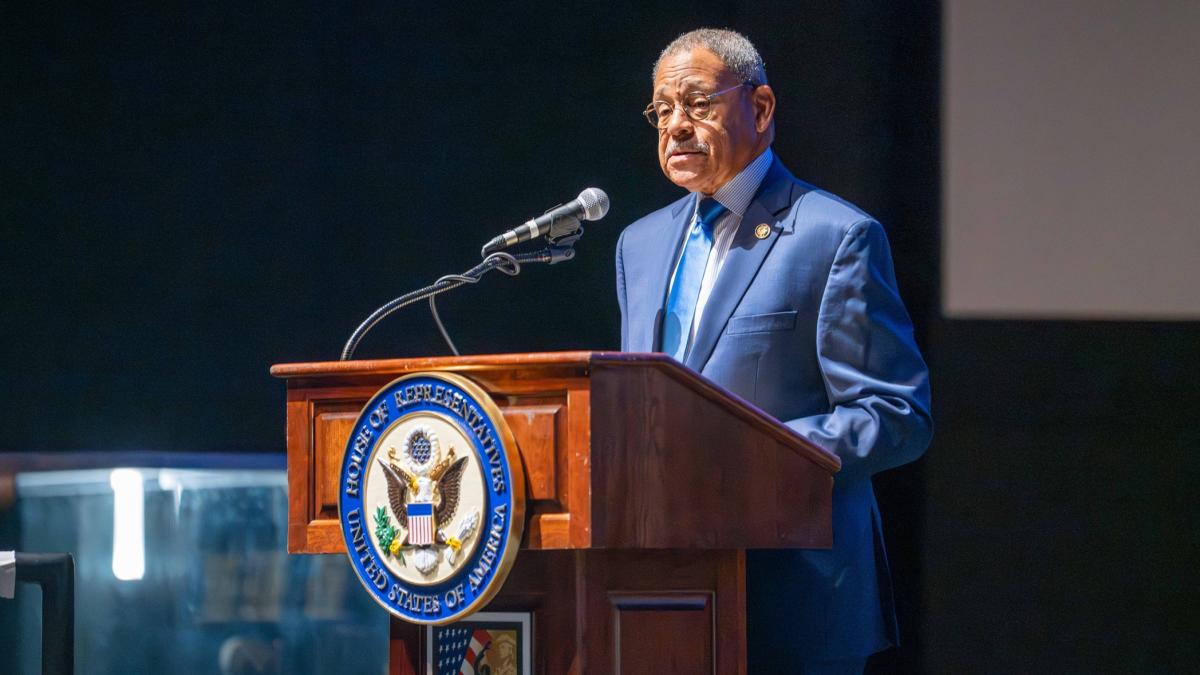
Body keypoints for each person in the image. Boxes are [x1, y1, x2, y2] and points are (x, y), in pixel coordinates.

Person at [615, 28, 932, 674]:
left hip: (794, 598)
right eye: (662, 109)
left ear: (759, 109)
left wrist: (759, 454)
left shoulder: (835, 237)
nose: (676, 125)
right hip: (659, 598)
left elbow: (895, 413)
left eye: (698, 103)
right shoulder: (638, 245)